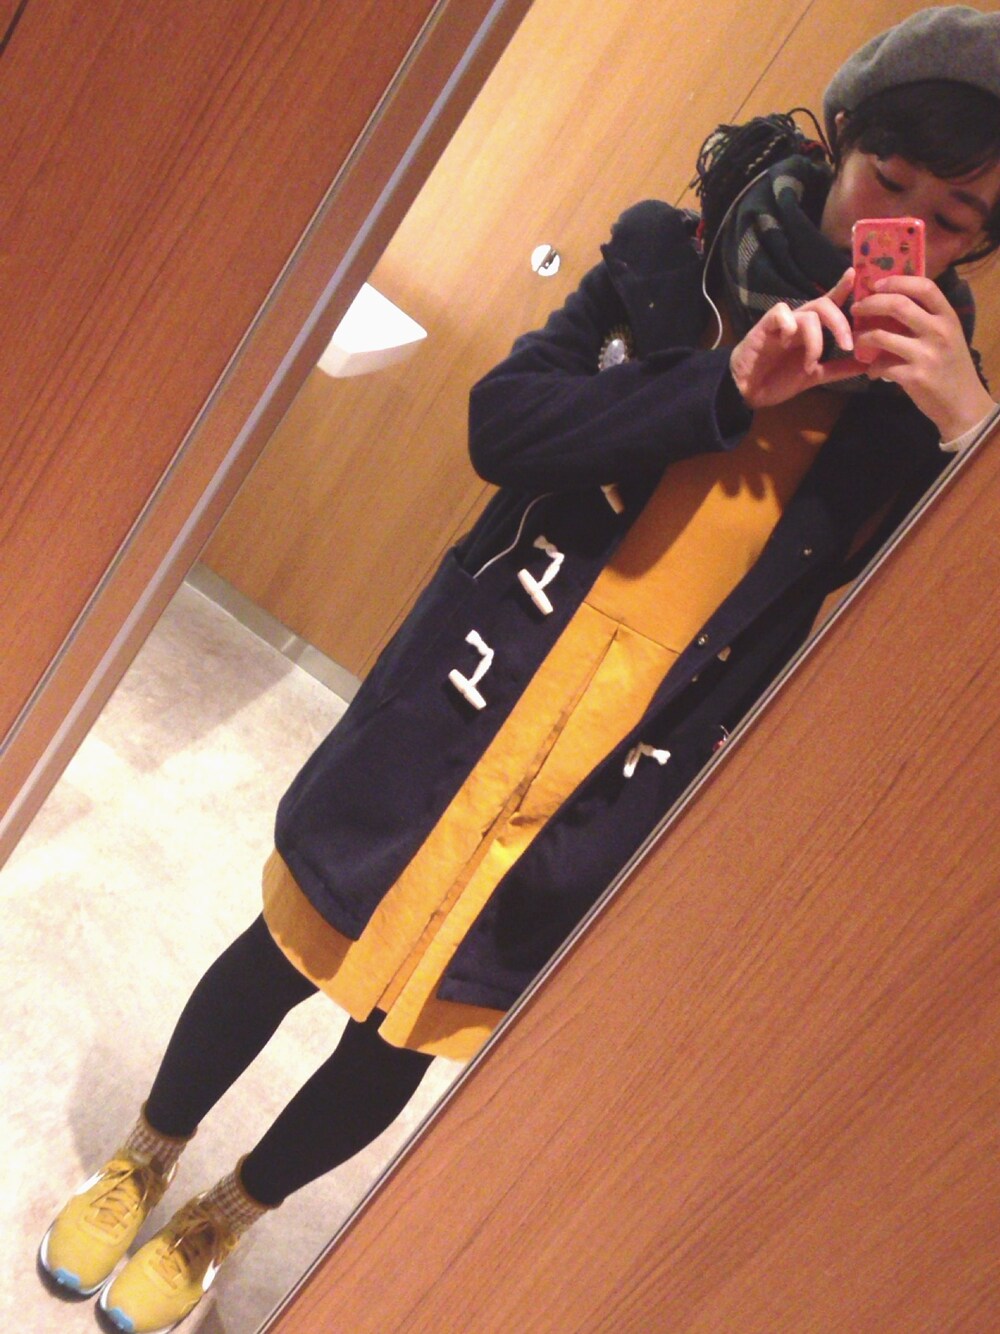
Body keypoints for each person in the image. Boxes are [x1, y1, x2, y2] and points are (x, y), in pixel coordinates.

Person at [39, 8, 1000, 1332]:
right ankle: (145, 1153)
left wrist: (968, 438)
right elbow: (506, 426)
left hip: (616, 766)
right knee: (291, 938)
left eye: (958, 221)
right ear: (841, 140)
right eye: (891, 183)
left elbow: (923, 645)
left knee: (409, 1029)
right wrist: (722, 388)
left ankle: (227, 1216)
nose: (910, 233)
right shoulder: (673, 259)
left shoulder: (929, 408)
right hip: (468, 693)